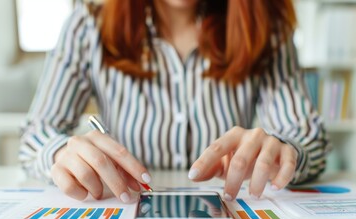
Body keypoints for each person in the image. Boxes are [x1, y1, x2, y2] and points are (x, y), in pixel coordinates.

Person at [20, 0, 331, 204]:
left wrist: (285, 150)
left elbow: (309, 139)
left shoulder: (267, 28)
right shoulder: (86, 26)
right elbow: (37, 133)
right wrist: (60, 151)